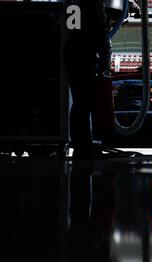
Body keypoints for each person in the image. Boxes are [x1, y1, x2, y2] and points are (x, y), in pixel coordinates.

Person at [63, 0, 109, 158]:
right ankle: (83, 143)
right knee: (85, 101)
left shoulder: (74, 3)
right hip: (84, 54)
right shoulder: (94, 5)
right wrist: (104, 56)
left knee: (79, 101)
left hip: (72, 51)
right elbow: (100, 31)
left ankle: (80, 142)